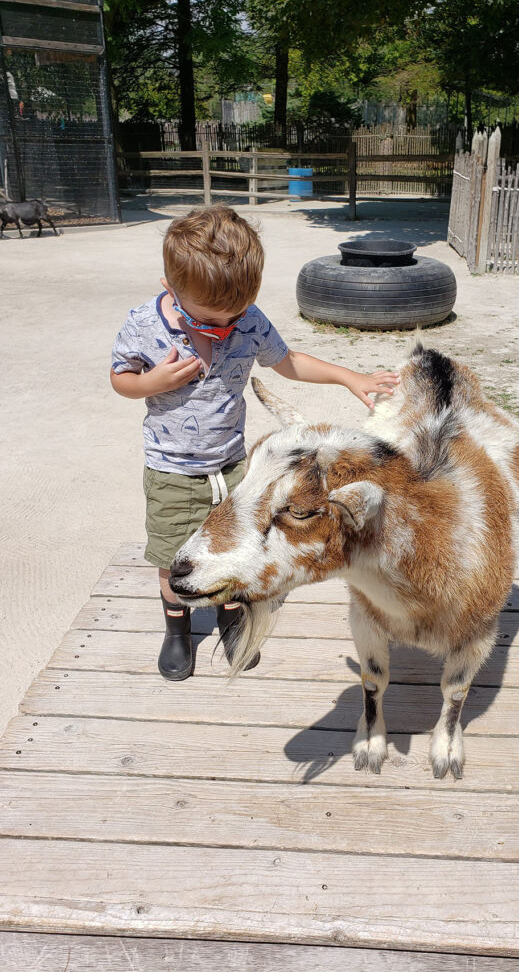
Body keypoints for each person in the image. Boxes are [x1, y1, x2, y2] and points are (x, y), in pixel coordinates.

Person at [110, 206, 399, 682]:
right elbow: (120, 380)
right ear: (170, 285)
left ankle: (229, 610)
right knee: (169, 557)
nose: (226, 325)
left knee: (234, 545)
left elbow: (286, 362)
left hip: (232, 466)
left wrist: (349, 377)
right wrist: (151, 382)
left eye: (236, 314)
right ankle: (177, 629)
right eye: (211, 318)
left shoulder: (247, 320)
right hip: (172, 468)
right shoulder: (144, 325)